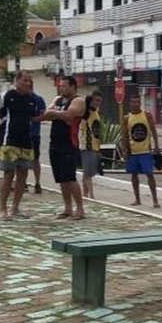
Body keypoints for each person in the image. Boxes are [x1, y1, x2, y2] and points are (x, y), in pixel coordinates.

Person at [0, 70, 43, 219]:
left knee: (23, 175)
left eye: (29, 81)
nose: (27, 83)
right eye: (25, 80)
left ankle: (15, 208)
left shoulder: (32, 100)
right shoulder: (6, 97)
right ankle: (3, 209)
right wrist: (1, 135)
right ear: (17, 81)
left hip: (26, 142)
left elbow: (35, 118)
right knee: (8, 174)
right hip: (9, 142)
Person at [39, 76, 86, 219]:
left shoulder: (78, 100)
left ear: (73, 87)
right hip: (55, 142)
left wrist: (55, 114)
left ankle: (80, 208)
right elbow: (46, 114)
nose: (61, 89)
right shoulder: (58, 99)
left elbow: (70, 115)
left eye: (64, 86)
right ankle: (67, 208)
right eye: (60, 86)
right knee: (61, 178)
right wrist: (57, 115)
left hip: (69, 143)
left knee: (70, 177)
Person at [121, 94, 161, 207]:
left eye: (137, 102)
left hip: (145, 151)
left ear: (140, 103)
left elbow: (153, 130)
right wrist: (124, 150)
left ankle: (155, 200)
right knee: (134, 175)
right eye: (133, 102)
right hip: (132, 152)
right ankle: (137, 199)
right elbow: (124, 135)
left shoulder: (147, 115)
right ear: (130, 103)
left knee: (149, 174)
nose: (135, 104)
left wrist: (156, 146)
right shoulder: (127, 118)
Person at [79, 91, 104, 199]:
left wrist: (99, 148)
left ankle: (85, 193)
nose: (98, 103)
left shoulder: (96, 113)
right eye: (96, 100)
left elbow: (97, 132)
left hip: (94, 146)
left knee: (88, 172)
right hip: (87, 145)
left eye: (99, 101)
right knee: (88, 172)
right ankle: (91, 195)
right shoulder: (85, 112)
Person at [28, 81, 47, 194]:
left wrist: (34, 119)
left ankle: (37, 182)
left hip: (34, 134)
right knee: (20, 159)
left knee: (35, 159)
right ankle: (22, 182)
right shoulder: (18, 98)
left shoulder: (38, 99)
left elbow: (43, 115)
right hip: (21, 133)